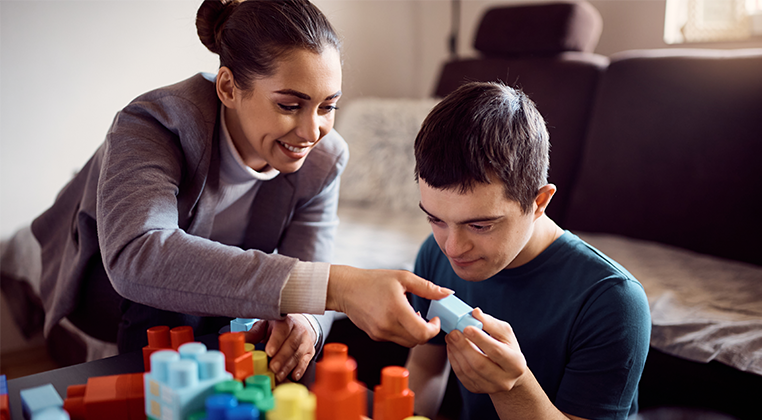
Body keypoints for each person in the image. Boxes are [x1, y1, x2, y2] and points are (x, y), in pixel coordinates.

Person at [31, 0, 448, 385]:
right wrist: (337, 288)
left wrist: (305, 319)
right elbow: (139, 254)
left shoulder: (325, 157)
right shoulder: (154, 124)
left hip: (213, 297)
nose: (311, 132)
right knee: (171, 310)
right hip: (114, 290)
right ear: (228, 88)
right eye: (289, 105)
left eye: (327, 107)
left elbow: (305, 263)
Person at [406, 81, 651, 420]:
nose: (452, 247)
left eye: (480, 225)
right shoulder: (434, 255)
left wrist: (514, 386)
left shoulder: (611, 301)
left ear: (539, 202)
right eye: (436, 219)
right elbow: (425, 368)